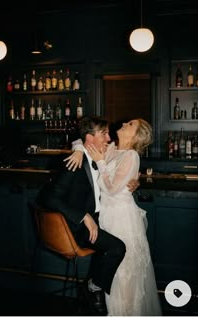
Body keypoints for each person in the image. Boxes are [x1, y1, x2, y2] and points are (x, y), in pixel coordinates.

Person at [36, 116, 139, 315]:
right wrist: (84, 216)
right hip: (75, 228)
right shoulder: (74, 162)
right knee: (117, 248)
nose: (109, 138)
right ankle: (93, 288)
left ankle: (109, 296)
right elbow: (47, 198)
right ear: (90, 138)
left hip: (99, 219)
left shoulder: (100, 154)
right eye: (104, 134)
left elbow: (122, 170)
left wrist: (136, 181)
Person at [68, 118, 162, 316]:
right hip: (106, 215)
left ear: (136, 136)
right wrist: (78, 150)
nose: (125, 123)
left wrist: (101, 162)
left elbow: (111, 188)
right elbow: (84, 140)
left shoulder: (131, 155)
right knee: (110, 264)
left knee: (125, 270)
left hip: (122, 217)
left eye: (130, 125)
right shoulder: (111, 147)